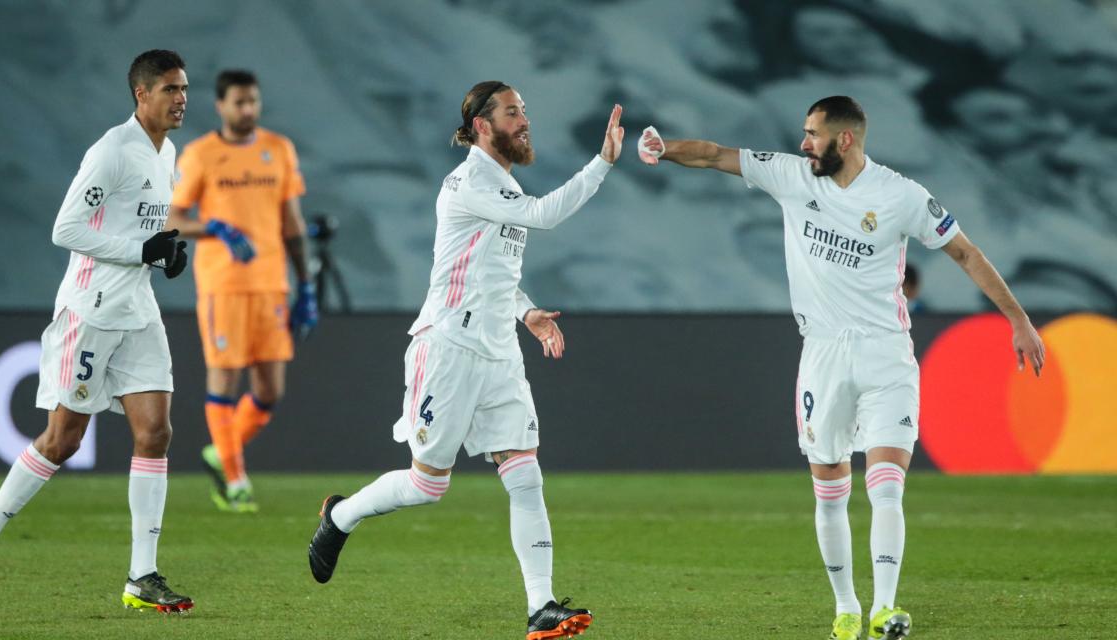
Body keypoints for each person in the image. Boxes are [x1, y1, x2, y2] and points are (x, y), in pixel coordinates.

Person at [638, 96, 1045, 640]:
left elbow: (965, 252)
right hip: (824, 355)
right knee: (830, 484)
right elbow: (714, 155)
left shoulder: (901, 196)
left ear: (845, 139)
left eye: (813, 133)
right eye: (804, 133)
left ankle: (885, 609)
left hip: (886, 353)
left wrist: (1018, 319)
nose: (804, 143)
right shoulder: (792, 176)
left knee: (887, 486)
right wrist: (664, 149)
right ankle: (846, 609)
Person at [307, 81, 624, 640]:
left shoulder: (502, 185)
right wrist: (600, 164)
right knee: (429, 486)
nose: (524, 120)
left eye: (524, 110)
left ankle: (542, 607)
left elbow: (496, 272)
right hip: (449, 346)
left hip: (499, 349)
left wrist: (526, 314)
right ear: (482, 125)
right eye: (512, 112)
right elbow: (545, 215)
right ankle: (340, 516)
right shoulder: (469, 181)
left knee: (525, 473)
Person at [0, 50, 193, 613]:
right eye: (170, 89)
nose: (181, 98)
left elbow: (139, 232)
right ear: (141, 95)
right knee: (63, 441)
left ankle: (142, 575)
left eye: (184, 88)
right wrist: (140, 250)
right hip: (89, 312)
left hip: (139, 312)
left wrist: (162, 256)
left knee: (155, 432)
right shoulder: (112, 151)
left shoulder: (169, 152)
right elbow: (66, 229)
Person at [166, 69, 314, 513]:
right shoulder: (201, 155)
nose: (247, 110)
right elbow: (172, 219)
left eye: (253, 101)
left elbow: (292, 223)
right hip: (223, 286)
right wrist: (212, 227)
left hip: (271, 283)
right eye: (239, 102)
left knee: (270, 390)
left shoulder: (278, 149)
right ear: (221, 106)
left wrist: (305, 284)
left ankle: (220, 451)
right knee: (225, 380)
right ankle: (234, 480)